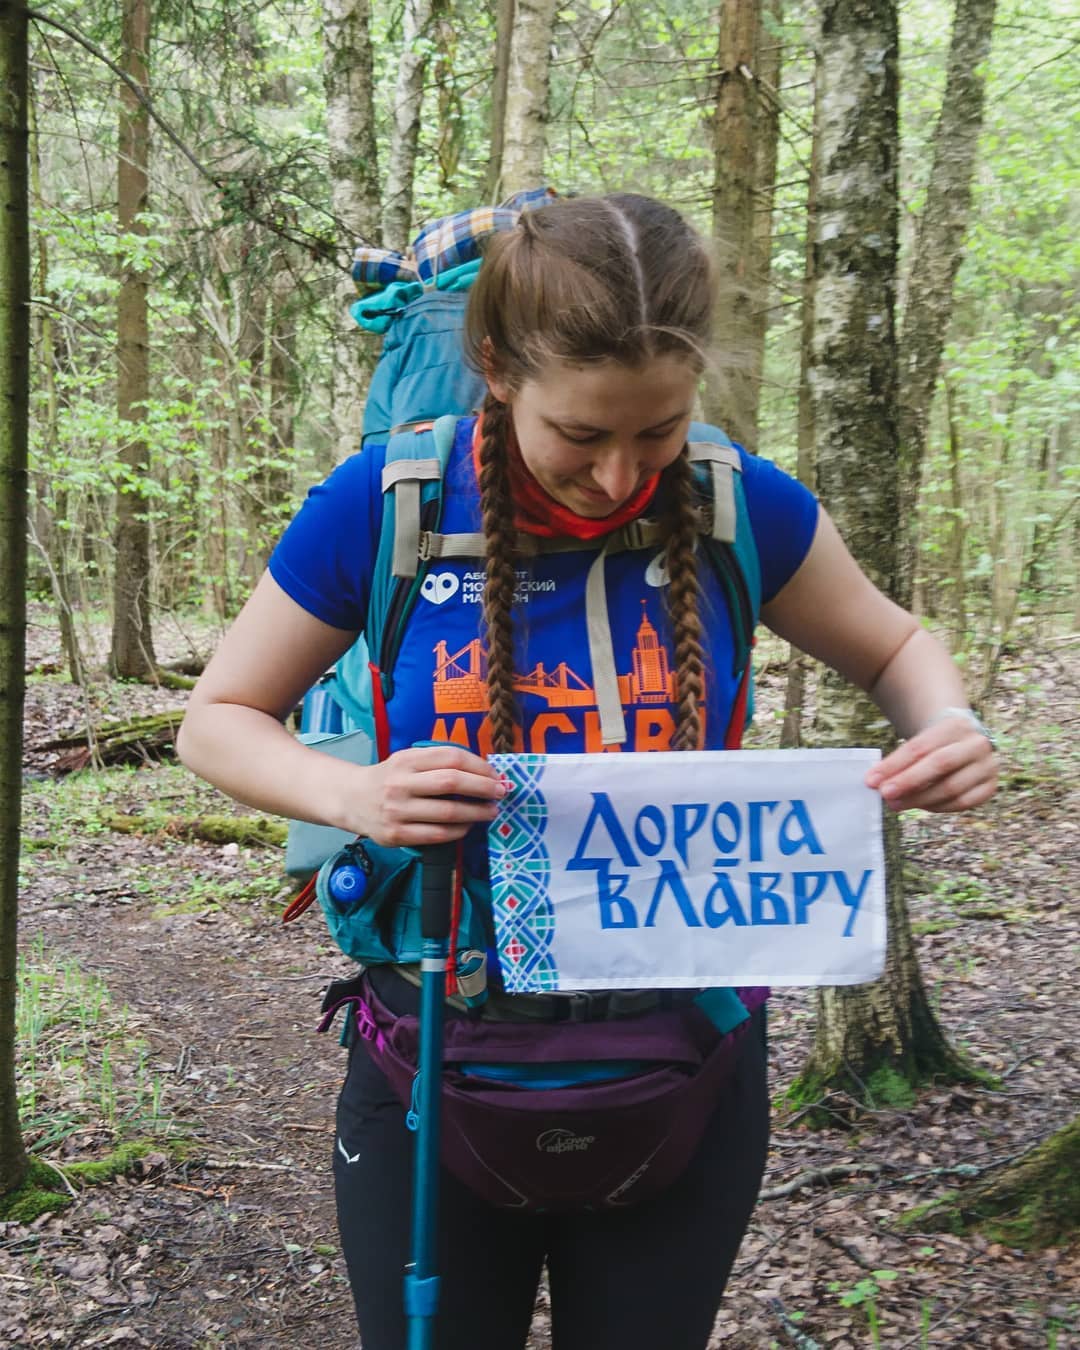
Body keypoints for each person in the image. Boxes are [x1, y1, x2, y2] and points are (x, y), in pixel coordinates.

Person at [177, 193, 997, 1349]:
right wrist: (353, 794)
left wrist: (947, 720)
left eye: (657, 432)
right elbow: (216, 720)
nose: (620, 476)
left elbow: (900, 648)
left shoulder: (730, 504)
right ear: (498, 369)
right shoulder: (389, 505)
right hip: (440, 1039)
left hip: (688, 1048)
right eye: (582, 435)